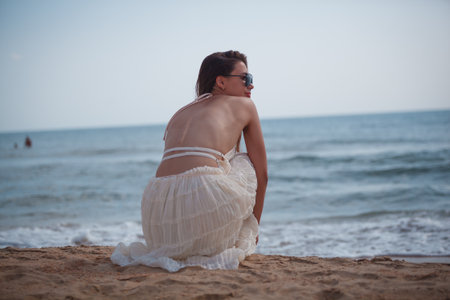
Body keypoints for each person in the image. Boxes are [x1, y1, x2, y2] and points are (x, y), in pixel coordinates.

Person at [111, 50, 268, 272]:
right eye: (245, 78)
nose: (251, 85)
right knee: (243, 160)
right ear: (221, 82)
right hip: (204, 209)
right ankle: (223, 237)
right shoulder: (245, 106)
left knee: (222, 158)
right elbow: (262, 175)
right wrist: (252, 230)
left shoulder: (181, 113)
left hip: (160, 224)